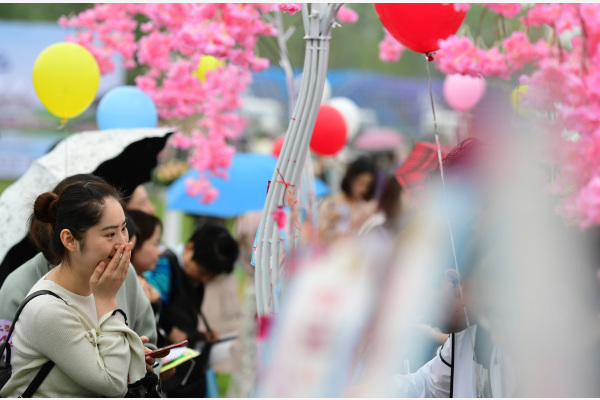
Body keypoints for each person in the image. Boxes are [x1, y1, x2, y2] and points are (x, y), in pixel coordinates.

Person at [0, 178, 148, 397]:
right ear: (69, 240)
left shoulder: (100, 284)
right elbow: (112, 386)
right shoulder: (47, 309)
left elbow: (104, 364)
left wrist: (133, 357)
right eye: (109, 234)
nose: (123, 243)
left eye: (123, 228)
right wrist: (107, 301)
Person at [319, 156, 377, 242]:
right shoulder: (331, 203)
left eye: (368, 185)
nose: (363, 188)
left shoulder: (366, 207)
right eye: (360, 183)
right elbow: (319, 236)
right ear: (351, 179)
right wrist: (331, 222)